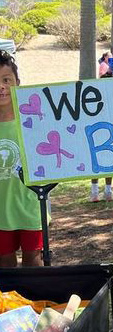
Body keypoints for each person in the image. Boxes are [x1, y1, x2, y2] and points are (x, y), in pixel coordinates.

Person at [0, 51, 43, 267]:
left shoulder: (34, 122)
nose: (1, 87)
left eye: (6, 80)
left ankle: (37, 301)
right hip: (1, 209)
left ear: (18, 83)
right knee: (4, 264)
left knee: (34, 261)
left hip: (31, 204)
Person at [90, 53, 113, 201]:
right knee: (102, 162)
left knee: (100, 162)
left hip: (102, 131)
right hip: (102, 131)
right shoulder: (99, 96)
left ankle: (100, 192)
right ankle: (103, 191)